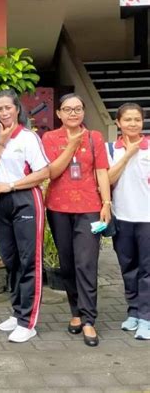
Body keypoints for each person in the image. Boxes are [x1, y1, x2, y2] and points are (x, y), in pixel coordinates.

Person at [0, 89, 49, 343]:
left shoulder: (29, 138)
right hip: (0, 203)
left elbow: (43, 172)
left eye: (9, 107)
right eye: (0, 109)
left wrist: (13, 185)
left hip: (26, 200)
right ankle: (18, 311)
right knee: (11, 259)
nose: (5, 112)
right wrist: (2, 141)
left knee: (29, 260)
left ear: (17, 109)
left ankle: (28, 322)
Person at [42, 93, 111, 347]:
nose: (73, 113)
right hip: (59, 208)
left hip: (90, 208)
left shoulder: (95, 137)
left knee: (86, 263)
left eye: (78, 109)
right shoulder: (50, 138)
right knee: (67, 263)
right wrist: (70, 145)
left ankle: (89, 319)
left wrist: (106, 202)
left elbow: (101, 171)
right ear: (59, 113)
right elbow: (52, 171)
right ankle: (76, 312)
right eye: (68, 109)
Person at [107, 103, 150, 340]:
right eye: (128, 120)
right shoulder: (111, 149)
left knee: (147, 270)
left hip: (147, 219)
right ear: (118, 123)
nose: (133, 124)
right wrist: (128, 155)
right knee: (128, 269)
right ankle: (133, 311)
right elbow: (108, 179)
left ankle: (146, 317)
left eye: (137, 120)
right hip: (122, 218)